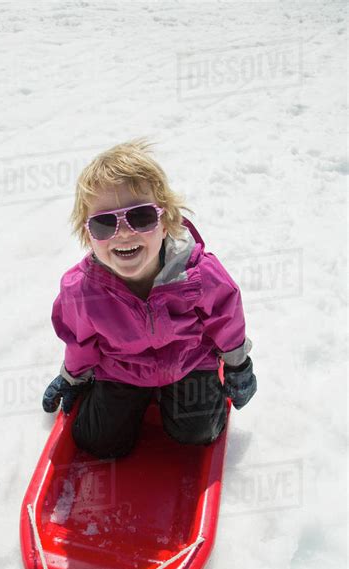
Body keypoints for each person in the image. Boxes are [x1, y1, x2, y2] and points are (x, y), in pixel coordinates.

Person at [42, 139, 257, 459]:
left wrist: (239, 365)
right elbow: (80, 340)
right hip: (122, 368)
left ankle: (185, 403)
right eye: (105, 223)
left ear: (166, 221)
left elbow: (226, 317)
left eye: (140, 217)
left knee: (197, 433)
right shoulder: (83, 290)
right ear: (89, 235)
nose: (124, 233)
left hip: (188, 363)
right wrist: (72, 377)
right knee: (96, 442)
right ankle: (124, 401)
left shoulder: (197, 274)